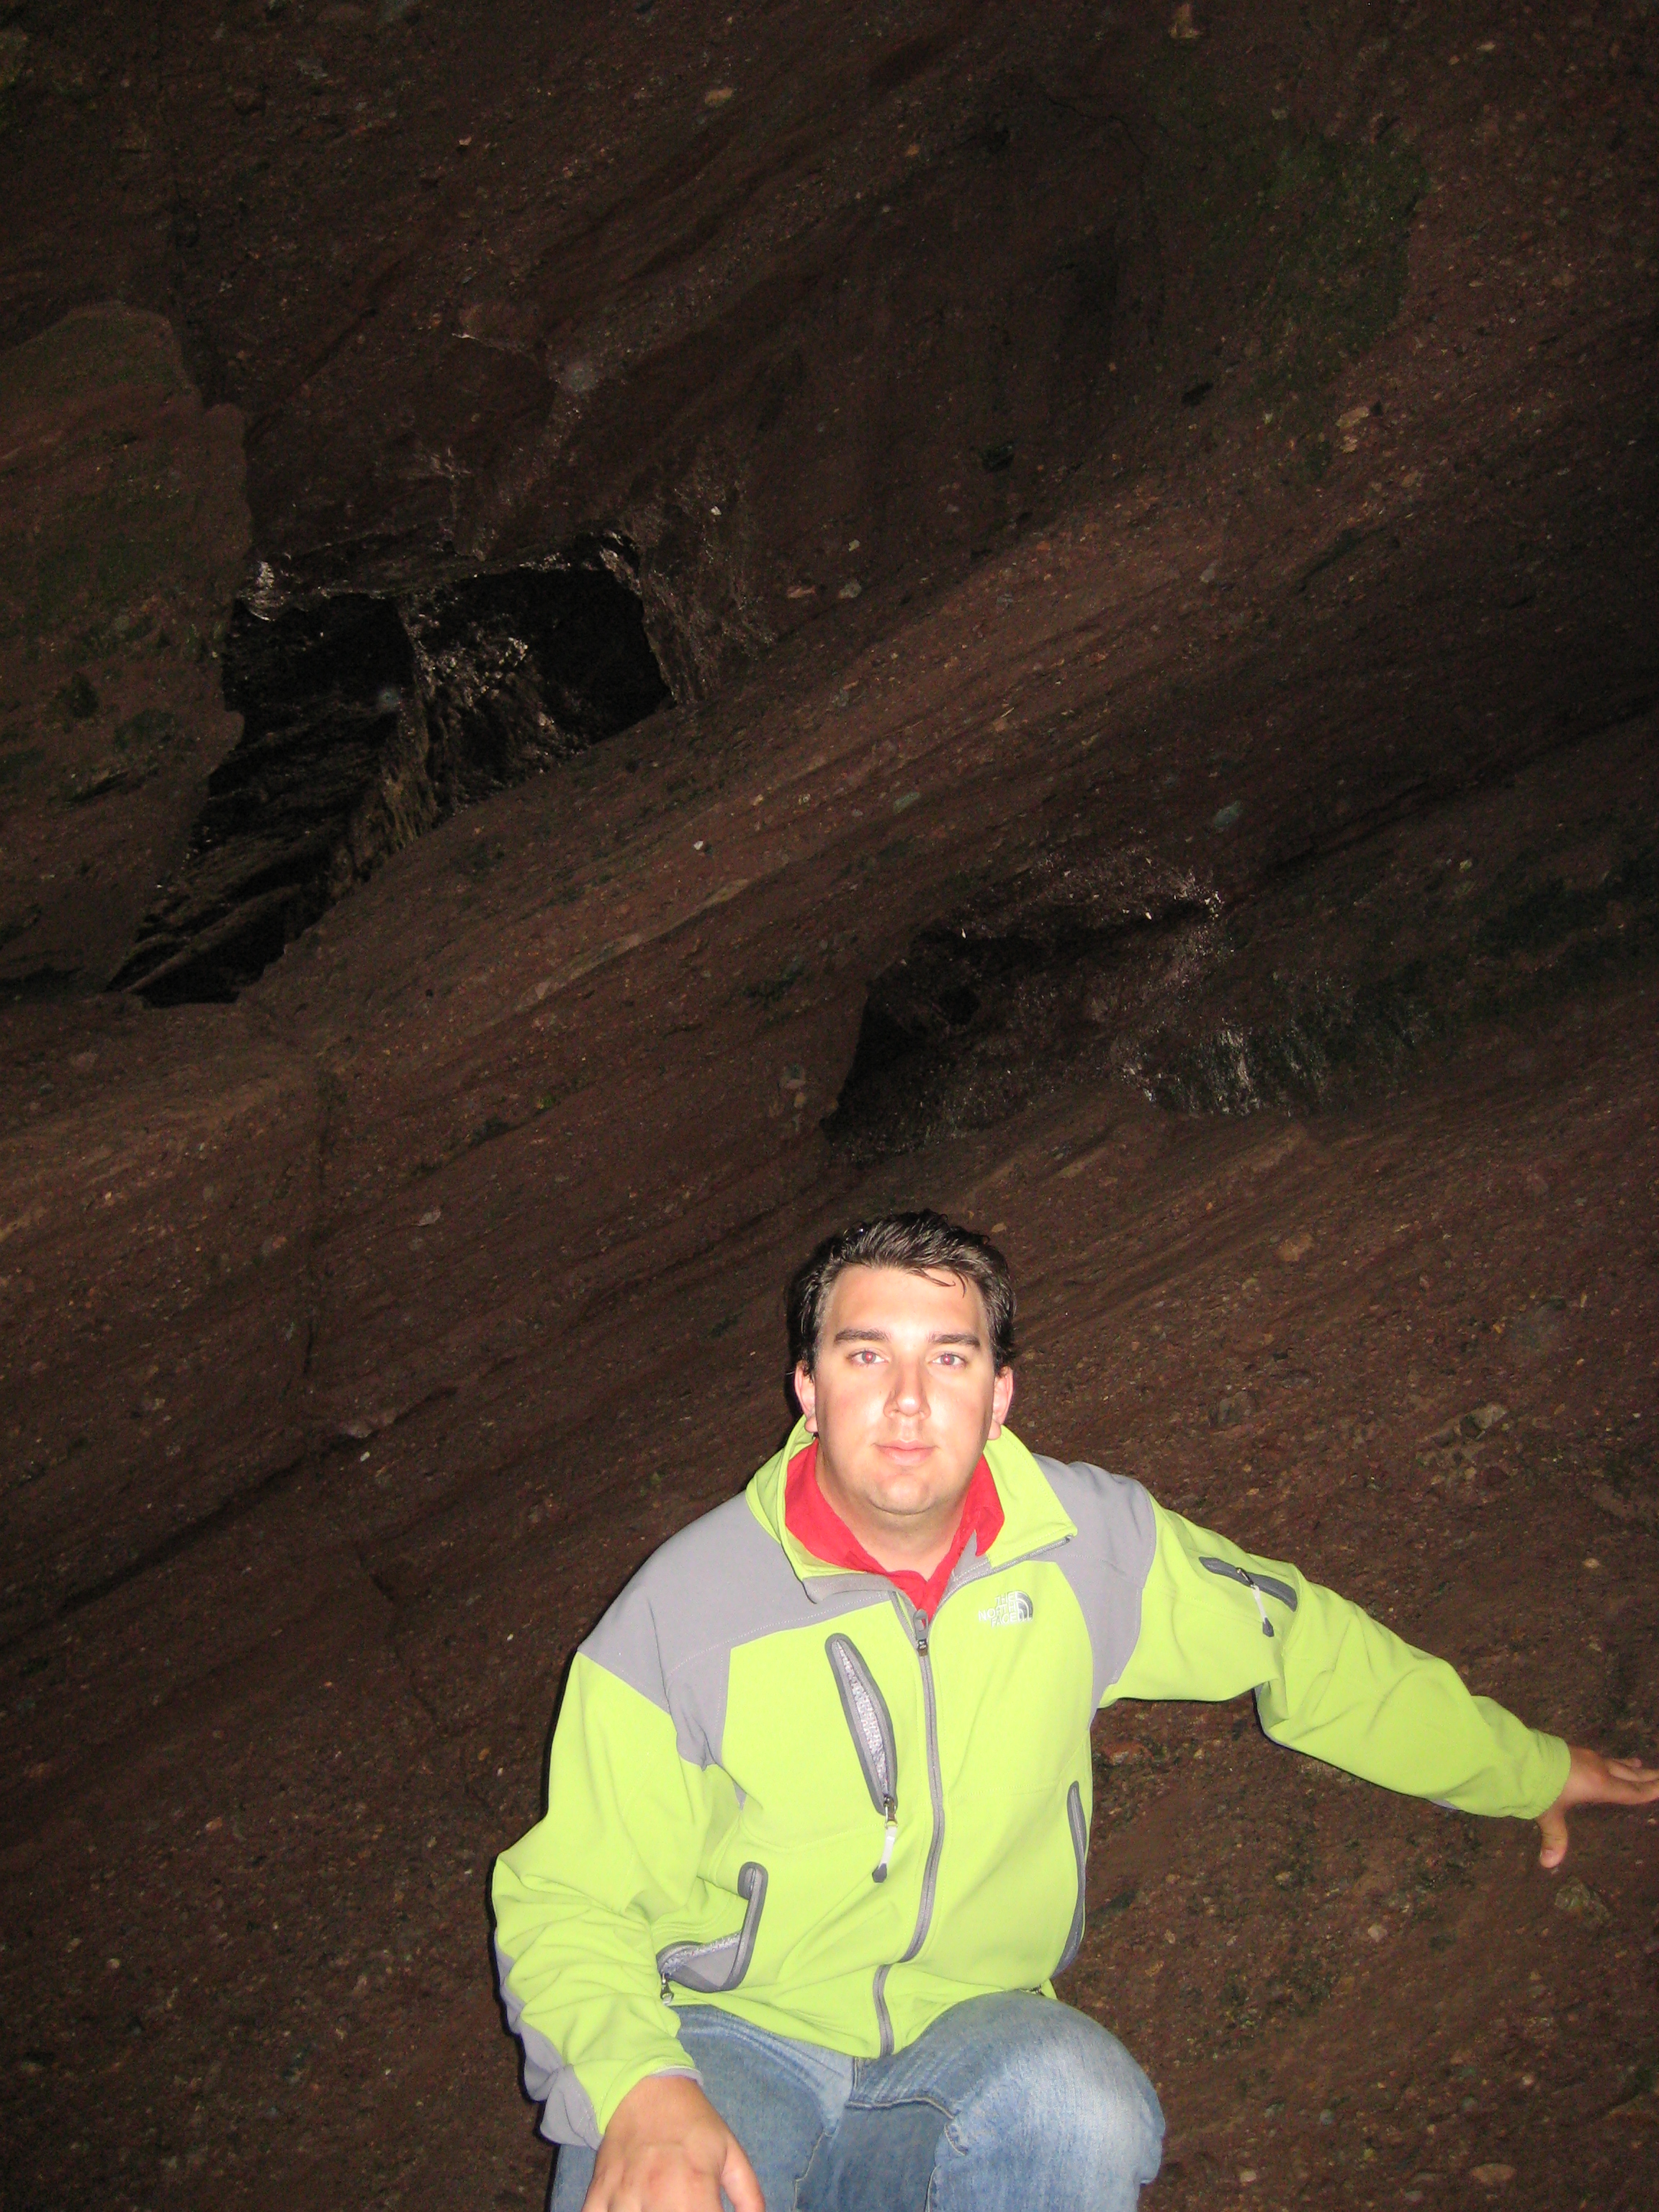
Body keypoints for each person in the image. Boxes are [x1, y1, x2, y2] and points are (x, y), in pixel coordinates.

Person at [491, 1213, 1658, 2212]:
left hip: (971, 2032)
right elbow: (567, 1897)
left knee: (1084, 2108)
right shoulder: (687, 1608)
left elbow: (1297, 1639)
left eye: (951, 1359)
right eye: (866, 1355)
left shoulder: (1083, 1547)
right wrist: (642, 2085)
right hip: (730, 2038)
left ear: (1000, 1395)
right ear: (808, 1387)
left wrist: (1526, 1769)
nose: (908, 1402)